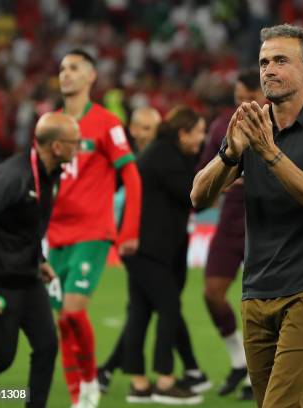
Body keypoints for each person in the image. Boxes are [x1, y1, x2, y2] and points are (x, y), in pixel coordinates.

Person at [191, 24, 303, 407]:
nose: (269, 69)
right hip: (256, 291)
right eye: (264, 61)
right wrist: (230, 154)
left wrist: (268, 153)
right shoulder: (251, 124)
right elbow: (199, 197)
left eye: (281, 60)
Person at [0, 113, 80, 408]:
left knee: (47, 346)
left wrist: (39, 258)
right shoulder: (12, 176)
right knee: (1, 357)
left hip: (28, 278)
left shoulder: (50, 174)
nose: (79, 148)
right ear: (57, 147)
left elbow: (26, 224)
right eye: (75, 143)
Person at [47, 48, 142, 408]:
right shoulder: (49, 124)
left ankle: (89, 383)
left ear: (91, 77)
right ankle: (78, 394)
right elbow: (39, 180)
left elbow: (131, 177)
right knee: (62, 321)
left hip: (92, 232)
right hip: (56, 236)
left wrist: (128, 230)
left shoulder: (106, 123)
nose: (65, 74)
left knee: (73, 310)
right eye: (61, 68)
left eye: (73, 68)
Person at [120, 106, 207, 405]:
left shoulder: (163, 152)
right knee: (168, 306)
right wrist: (222, 181)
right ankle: (165, 381)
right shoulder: (164, 155)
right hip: (146, 249)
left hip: (143, 247)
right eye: (198, 132)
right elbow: (191, 195)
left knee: (140, 312)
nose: (202, 139)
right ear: (182, 133)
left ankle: (139, 385)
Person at [197, 68, 264, 400]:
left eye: (249, 98)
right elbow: (205, 173)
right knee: (212, 292)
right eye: (238, 99)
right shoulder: (223, 126)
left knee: (261, 303)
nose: (242, 105)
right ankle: (239, 361)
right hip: (232, 212)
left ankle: (260, 374)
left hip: (266, 216)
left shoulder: (280, 125)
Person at [96, 106, 161, 392]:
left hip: (158, 246)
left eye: (154, 129)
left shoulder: (157, 158)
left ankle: (107, 370)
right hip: (138, 247)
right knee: (161, 307)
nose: (149, 135)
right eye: (144, 128)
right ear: (133, 131)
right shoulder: (128, 164)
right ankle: (143, 379)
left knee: (142, 310)